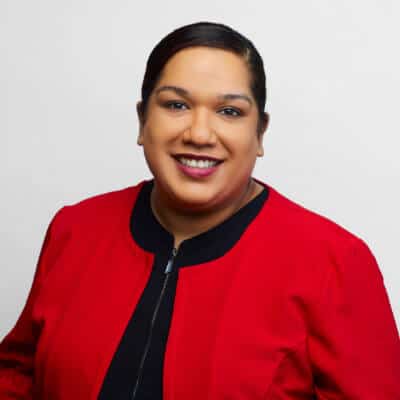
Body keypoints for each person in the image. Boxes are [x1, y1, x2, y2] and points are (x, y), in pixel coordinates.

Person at [0, 21, 399, 400]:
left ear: (260, 132)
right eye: (176, 104)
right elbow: (16, 378)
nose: (200, 134)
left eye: (230, 111)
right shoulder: (75, 229)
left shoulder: (333, 262)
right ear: (142, 120)